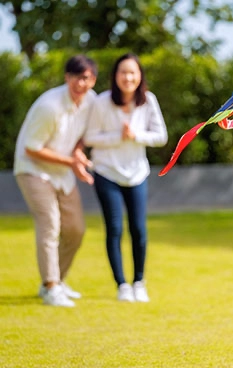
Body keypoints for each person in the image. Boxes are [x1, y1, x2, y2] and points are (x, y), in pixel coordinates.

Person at [14, 55, 97, 307]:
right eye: (74, 77)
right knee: (50, 223)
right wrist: (72, 163)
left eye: (85, 78)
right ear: (66, 77)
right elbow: (31, 148)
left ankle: (56, 281)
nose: (79, 83)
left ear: (92, 80)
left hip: (62, 171)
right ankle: (50, 287)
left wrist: (78, 153)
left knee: (75, 230)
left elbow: (81, 136)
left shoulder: (91, 101)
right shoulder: (49, 106)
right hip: (32, 170)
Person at [84, 53, 168, 303]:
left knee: (139, 229)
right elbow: (89, 138)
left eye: (133, 72)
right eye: (123, 72)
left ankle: (138, 282)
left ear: (139, 76)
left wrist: (135, 136)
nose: (128, 77)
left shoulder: (148, 101)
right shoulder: (101, 102)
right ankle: (122, 284)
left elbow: (160, 136)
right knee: (114, 228)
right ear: (115, 76)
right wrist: (117, 137)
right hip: (106, 172)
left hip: (136, 173)